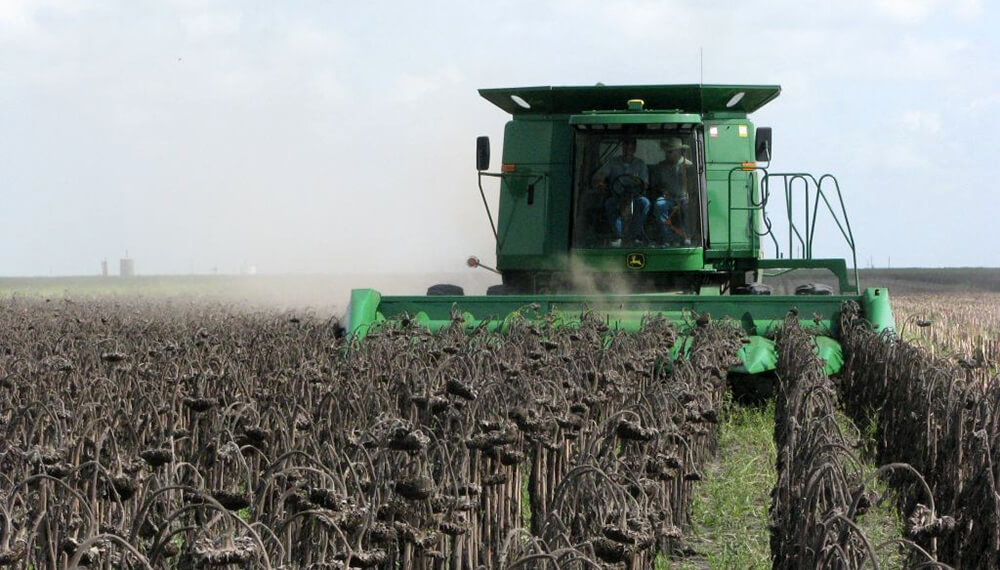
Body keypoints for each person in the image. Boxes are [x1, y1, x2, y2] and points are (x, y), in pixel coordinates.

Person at [592, 137, 649, 247]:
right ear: (622, 147)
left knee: (644, 203)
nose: (628, 148)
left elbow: (645, 183)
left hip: (636, 196)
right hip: (617, 195)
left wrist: (637, 181)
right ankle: (619, 236)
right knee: (609, 204)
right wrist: (600, 181)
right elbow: (599, 175)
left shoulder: (640, 164)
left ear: (635, 148)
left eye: (631, 146)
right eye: (626, 146)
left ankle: (635, 236)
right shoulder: (613, 162)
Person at [650, 137, 694, 246]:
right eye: (666, 152)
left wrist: (688, 194)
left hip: (684, 198)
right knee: (659, 205)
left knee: (688, 206)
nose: (667, 154)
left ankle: (687, 236)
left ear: (679, 151)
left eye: (670, 151)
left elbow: (693, 186)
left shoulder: (689, 166)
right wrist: (662, 190)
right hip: (667, 198)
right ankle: (667, 237)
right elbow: (654, 184)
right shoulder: (661, 167)